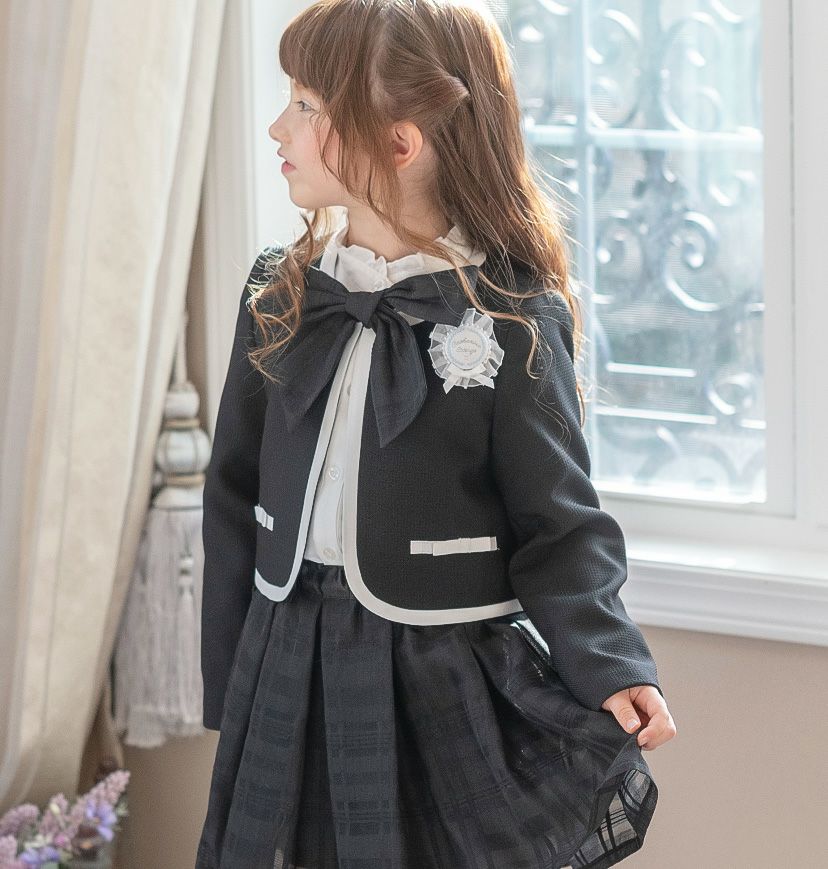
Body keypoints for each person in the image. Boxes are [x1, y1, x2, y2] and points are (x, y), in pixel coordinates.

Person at [195, 1, 677, 867]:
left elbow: (558, 522)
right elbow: (232, 491)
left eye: (305, 105)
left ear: (399, 142)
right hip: (284, 650)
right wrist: (231, 670)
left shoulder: (512, 318)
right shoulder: (280, 294)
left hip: (437, 667)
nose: (278, 126)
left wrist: (610, 662)